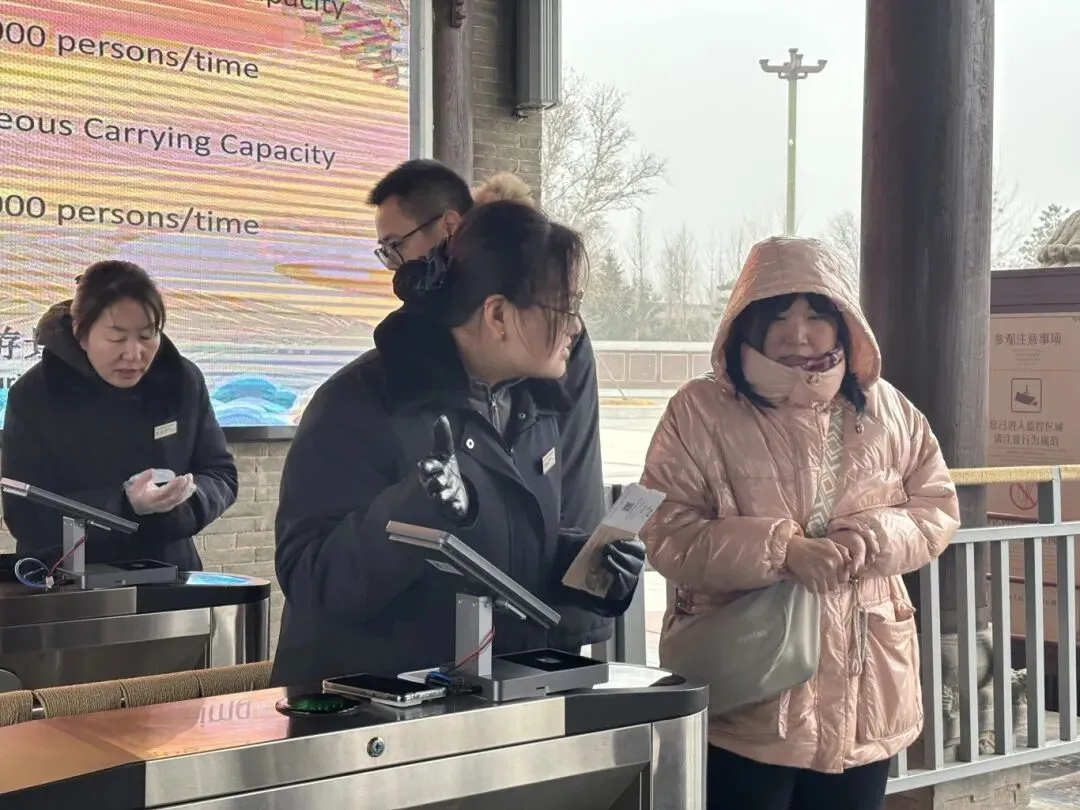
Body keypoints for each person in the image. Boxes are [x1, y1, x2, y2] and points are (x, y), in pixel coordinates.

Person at [639, 236, 960, 810]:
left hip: (867, 691)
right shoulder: (698, 410)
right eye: (778, 315)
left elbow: (936, 508)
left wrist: (869, 538)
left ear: (843, 323)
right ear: (747, 321)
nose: (798, 332)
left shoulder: (890, 409)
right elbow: (667, 531)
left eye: (815, 315)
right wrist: (781, 550)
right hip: (748, 696)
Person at [270, 198, 645, 686]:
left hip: (479, 703)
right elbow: (310, 578)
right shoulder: (360, 401)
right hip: (365, 709)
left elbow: (503, 556)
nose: (575, 326)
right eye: (564, 307)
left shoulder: (532, 406)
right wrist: (415, 509)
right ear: (498, 314)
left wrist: (590, 566)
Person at [365, 159, 610, 650]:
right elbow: (324, 572)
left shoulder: (537, 373)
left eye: (396, 246)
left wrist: (590, 569)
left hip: (531, 627)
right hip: (432, 663)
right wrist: (423, 507)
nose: (398, 266)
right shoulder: (380, 384)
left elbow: (547, 499)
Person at [0, 260, 238, 573]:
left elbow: (221, 474)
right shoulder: (36, 394)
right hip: (68, 580)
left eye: (147, 336)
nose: (134, 354)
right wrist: (124, 505)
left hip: (169, 576)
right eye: (117, 338)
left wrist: (186, 501)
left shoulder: (181, 380)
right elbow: (25, 515)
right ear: (81, 334)